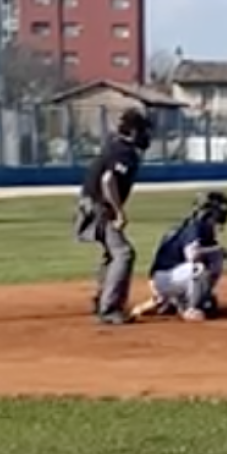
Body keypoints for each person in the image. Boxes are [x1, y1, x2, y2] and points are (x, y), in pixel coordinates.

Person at [130, 191, 227, 322]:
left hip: (168, 277)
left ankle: (167, 301)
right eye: (219, 209)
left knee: (210, 303)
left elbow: (213, 251)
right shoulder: (196, 227)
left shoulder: (200, 226)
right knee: (203, 266)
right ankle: (190, 308)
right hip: (164, 278)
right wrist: (219, 252)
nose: (223, 213)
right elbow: (193, 254)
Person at [73, 107, 151, 325]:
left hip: (90, 205)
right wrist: (119, 212)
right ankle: (110, 309)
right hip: (99, 207)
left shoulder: (114, 146)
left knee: (113, 252)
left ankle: (102, 301)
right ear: (134, 131)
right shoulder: (124, 152)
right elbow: (108, 180)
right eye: (143, 130)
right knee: (124, 253)